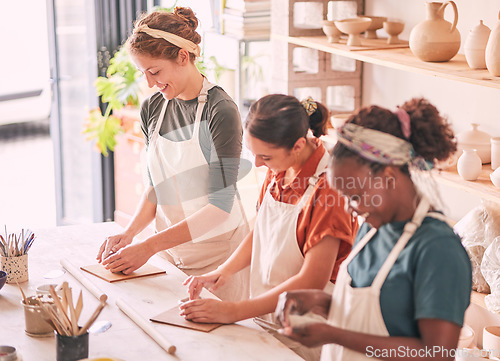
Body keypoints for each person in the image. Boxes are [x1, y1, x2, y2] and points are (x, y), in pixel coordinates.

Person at [275, 98, 473, 361]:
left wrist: (334, 335)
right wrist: (319, 303)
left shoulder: (438, 249)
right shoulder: (370, 229)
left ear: (389, 176)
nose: (349, 209)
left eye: (355, 196)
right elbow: (380, 318)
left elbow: (436, 352)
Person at [181, 94, 358, 361]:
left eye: (265, 156)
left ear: (298, 145)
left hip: (307, 328)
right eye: (255, 154)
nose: (259, 164)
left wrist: (234, 311)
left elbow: (312, 280)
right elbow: (262, 232)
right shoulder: (281, 167)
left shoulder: (329, 189)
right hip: (268, 317)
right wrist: (223, 271)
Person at [96, 8, 250, 302]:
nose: (150, 83)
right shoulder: (153, 108)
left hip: (216, 261)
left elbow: (220, 208)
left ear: (183, 57)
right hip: (168, 256)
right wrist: (129, 235)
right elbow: (155, 189)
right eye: (144, 74)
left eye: (155, 72)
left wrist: (148, 246)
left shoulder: (221, 112)